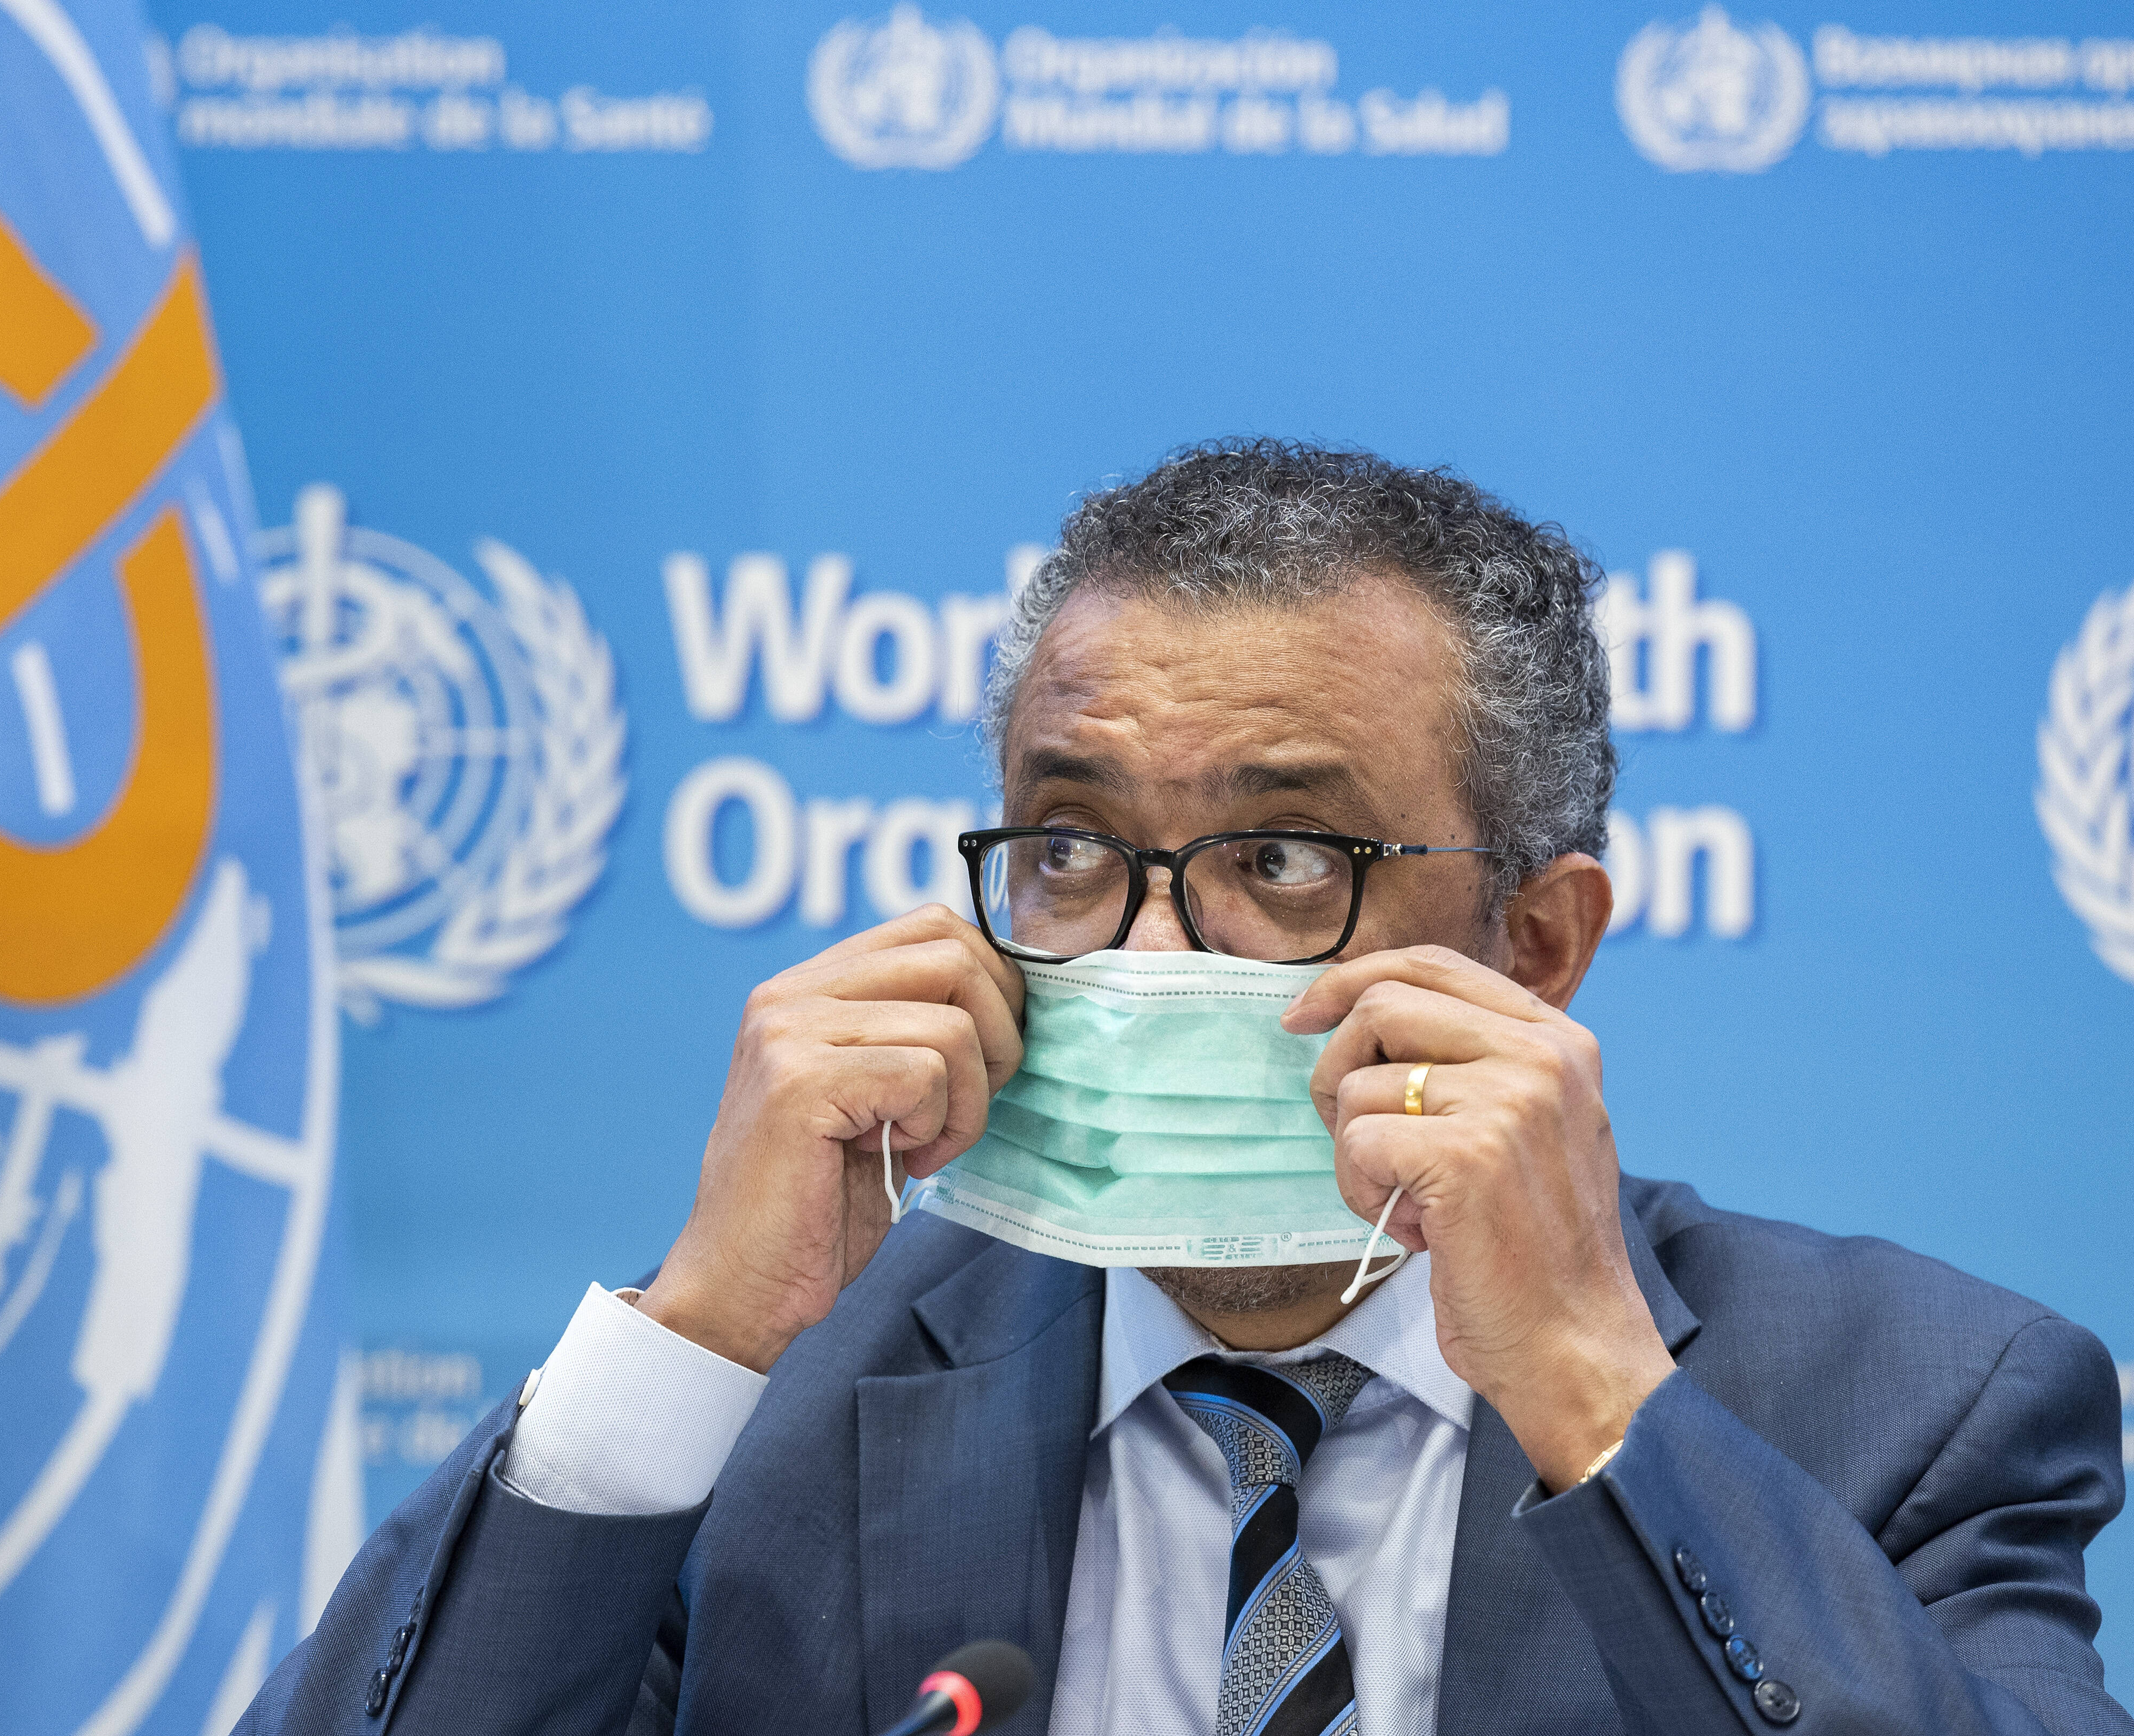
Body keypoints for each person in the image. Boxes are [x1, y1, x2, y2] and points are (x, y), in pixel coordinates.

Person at [241, 441, 2131, 1735]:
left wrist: (1593, 1392)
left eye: (1282, 861)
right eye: (1068, 850)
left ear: (1536, 949)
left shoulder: (1909, 1407)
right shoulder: (773, 1423)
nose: (1149, 954)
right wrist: (698, 1331)